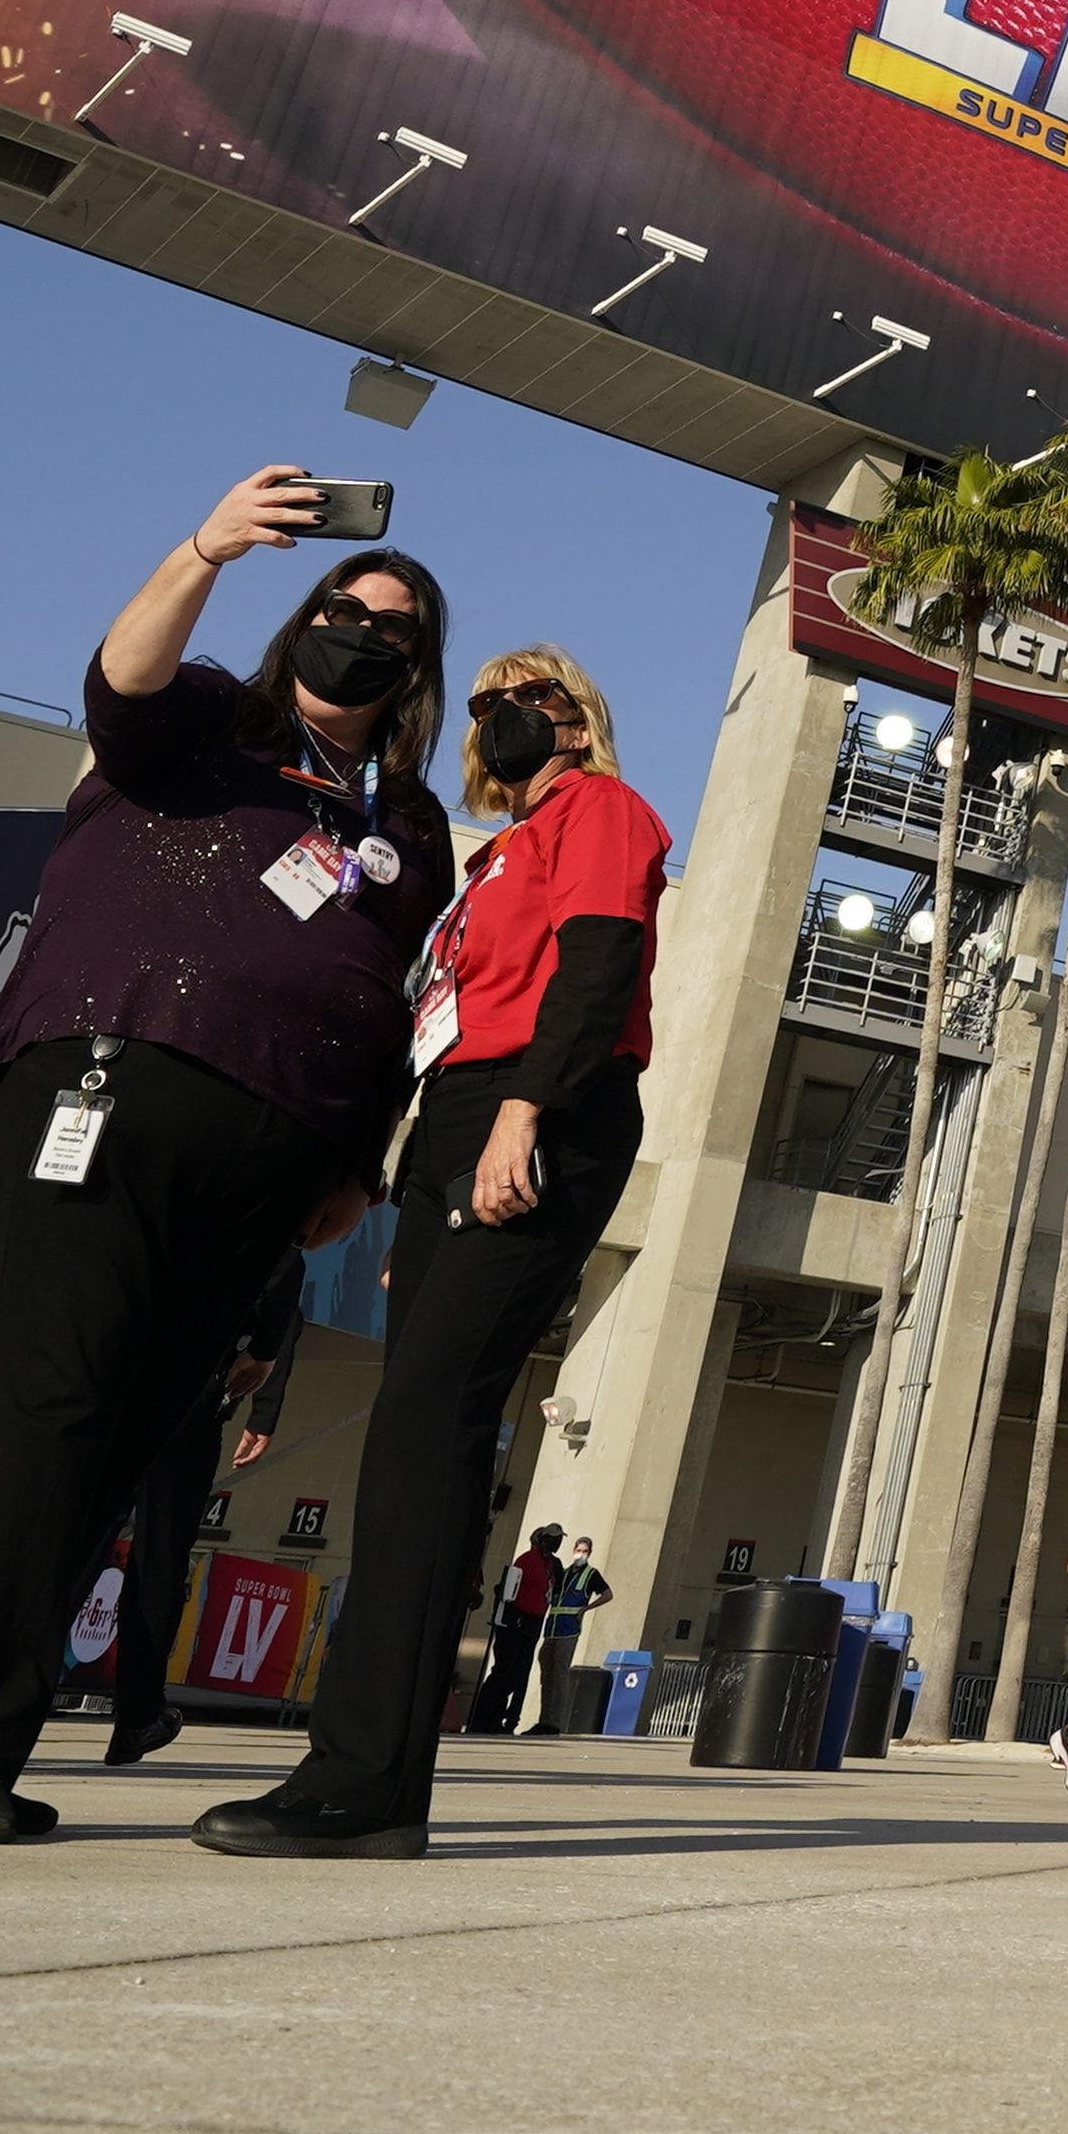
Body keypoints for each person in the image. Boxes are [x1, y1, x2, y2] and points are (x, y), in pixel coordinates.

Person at [0, 469, 454, 1847]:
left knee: (113, 1449)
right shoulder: (213, 722)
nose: (365, 631)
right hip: (108, 1082)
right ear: (305, 620)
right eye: (347, 604)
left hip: (271, 1157)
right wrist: (206, 549)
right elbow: (123, 674)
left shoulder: (407, 824)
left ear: (418, 671)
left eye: (395, 627)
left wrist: (356, 1161)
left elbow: (395, 990)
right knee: (41, 1415)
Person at [204, 639, 672, 1858]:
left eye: (537, 697)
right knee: (417, 1437)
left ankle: (361, 1783)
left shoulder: (603, 808)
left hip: (541, 1104)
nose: (510, 716)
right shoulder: (498, 850)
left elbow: (600, 962)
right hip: (460, 1117)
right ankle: (363, 1776)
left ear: (579, 719)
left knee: (428, 1428)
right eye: (490, 703)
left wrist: (527, 1112)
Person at [100, 1256, 301, 1768]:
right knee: (160, 1557)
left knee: (75, 1540)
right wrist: (263, 1402)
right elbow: (282, 1268)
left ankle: (1, 1701)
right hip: (188, 1391)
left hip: (109, 1371)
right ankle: (137, 1715)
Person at [477, 1524, 560, 1738]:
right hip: (516, 1622)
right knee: (504, 1671)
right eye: (552, 1538)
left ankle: (504, 1718)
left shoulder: (550, 1565)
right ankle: (484, 1717)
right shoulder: (527, 1560)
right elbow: (509, 1592)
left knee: (518, 1674)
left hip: (533, 1623)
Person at [534, 1534, 613, 1734]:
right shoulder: (564, 1572)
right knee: (546, 1677)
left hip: (568, 1631)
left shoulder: (591, 1574)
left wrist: (586, 1609)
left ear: (590, 1553)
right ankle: (543, 1720)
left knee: (560, 1677)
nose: (581, 1554)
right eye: (579, 1550)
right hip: (551, 1630)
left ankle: (554, 1723)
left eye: (585, 1551)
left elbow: (607, 1594)